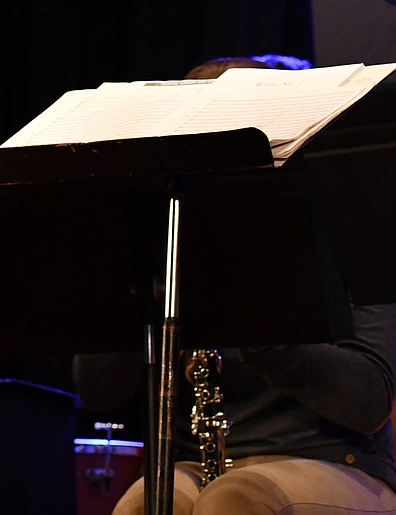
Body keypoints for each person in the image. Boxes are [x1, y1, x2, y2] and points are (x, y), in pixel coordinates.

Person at [74, 54, 396, 514]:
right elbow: (98, 392)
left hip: (331, 463)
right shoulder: (169, 229)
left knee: (237, 499)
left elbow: (368, 402)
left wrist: (253, 322)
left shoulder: (346, 228)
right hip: (196, 465)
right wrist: (123, 275)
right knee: (141, 505)